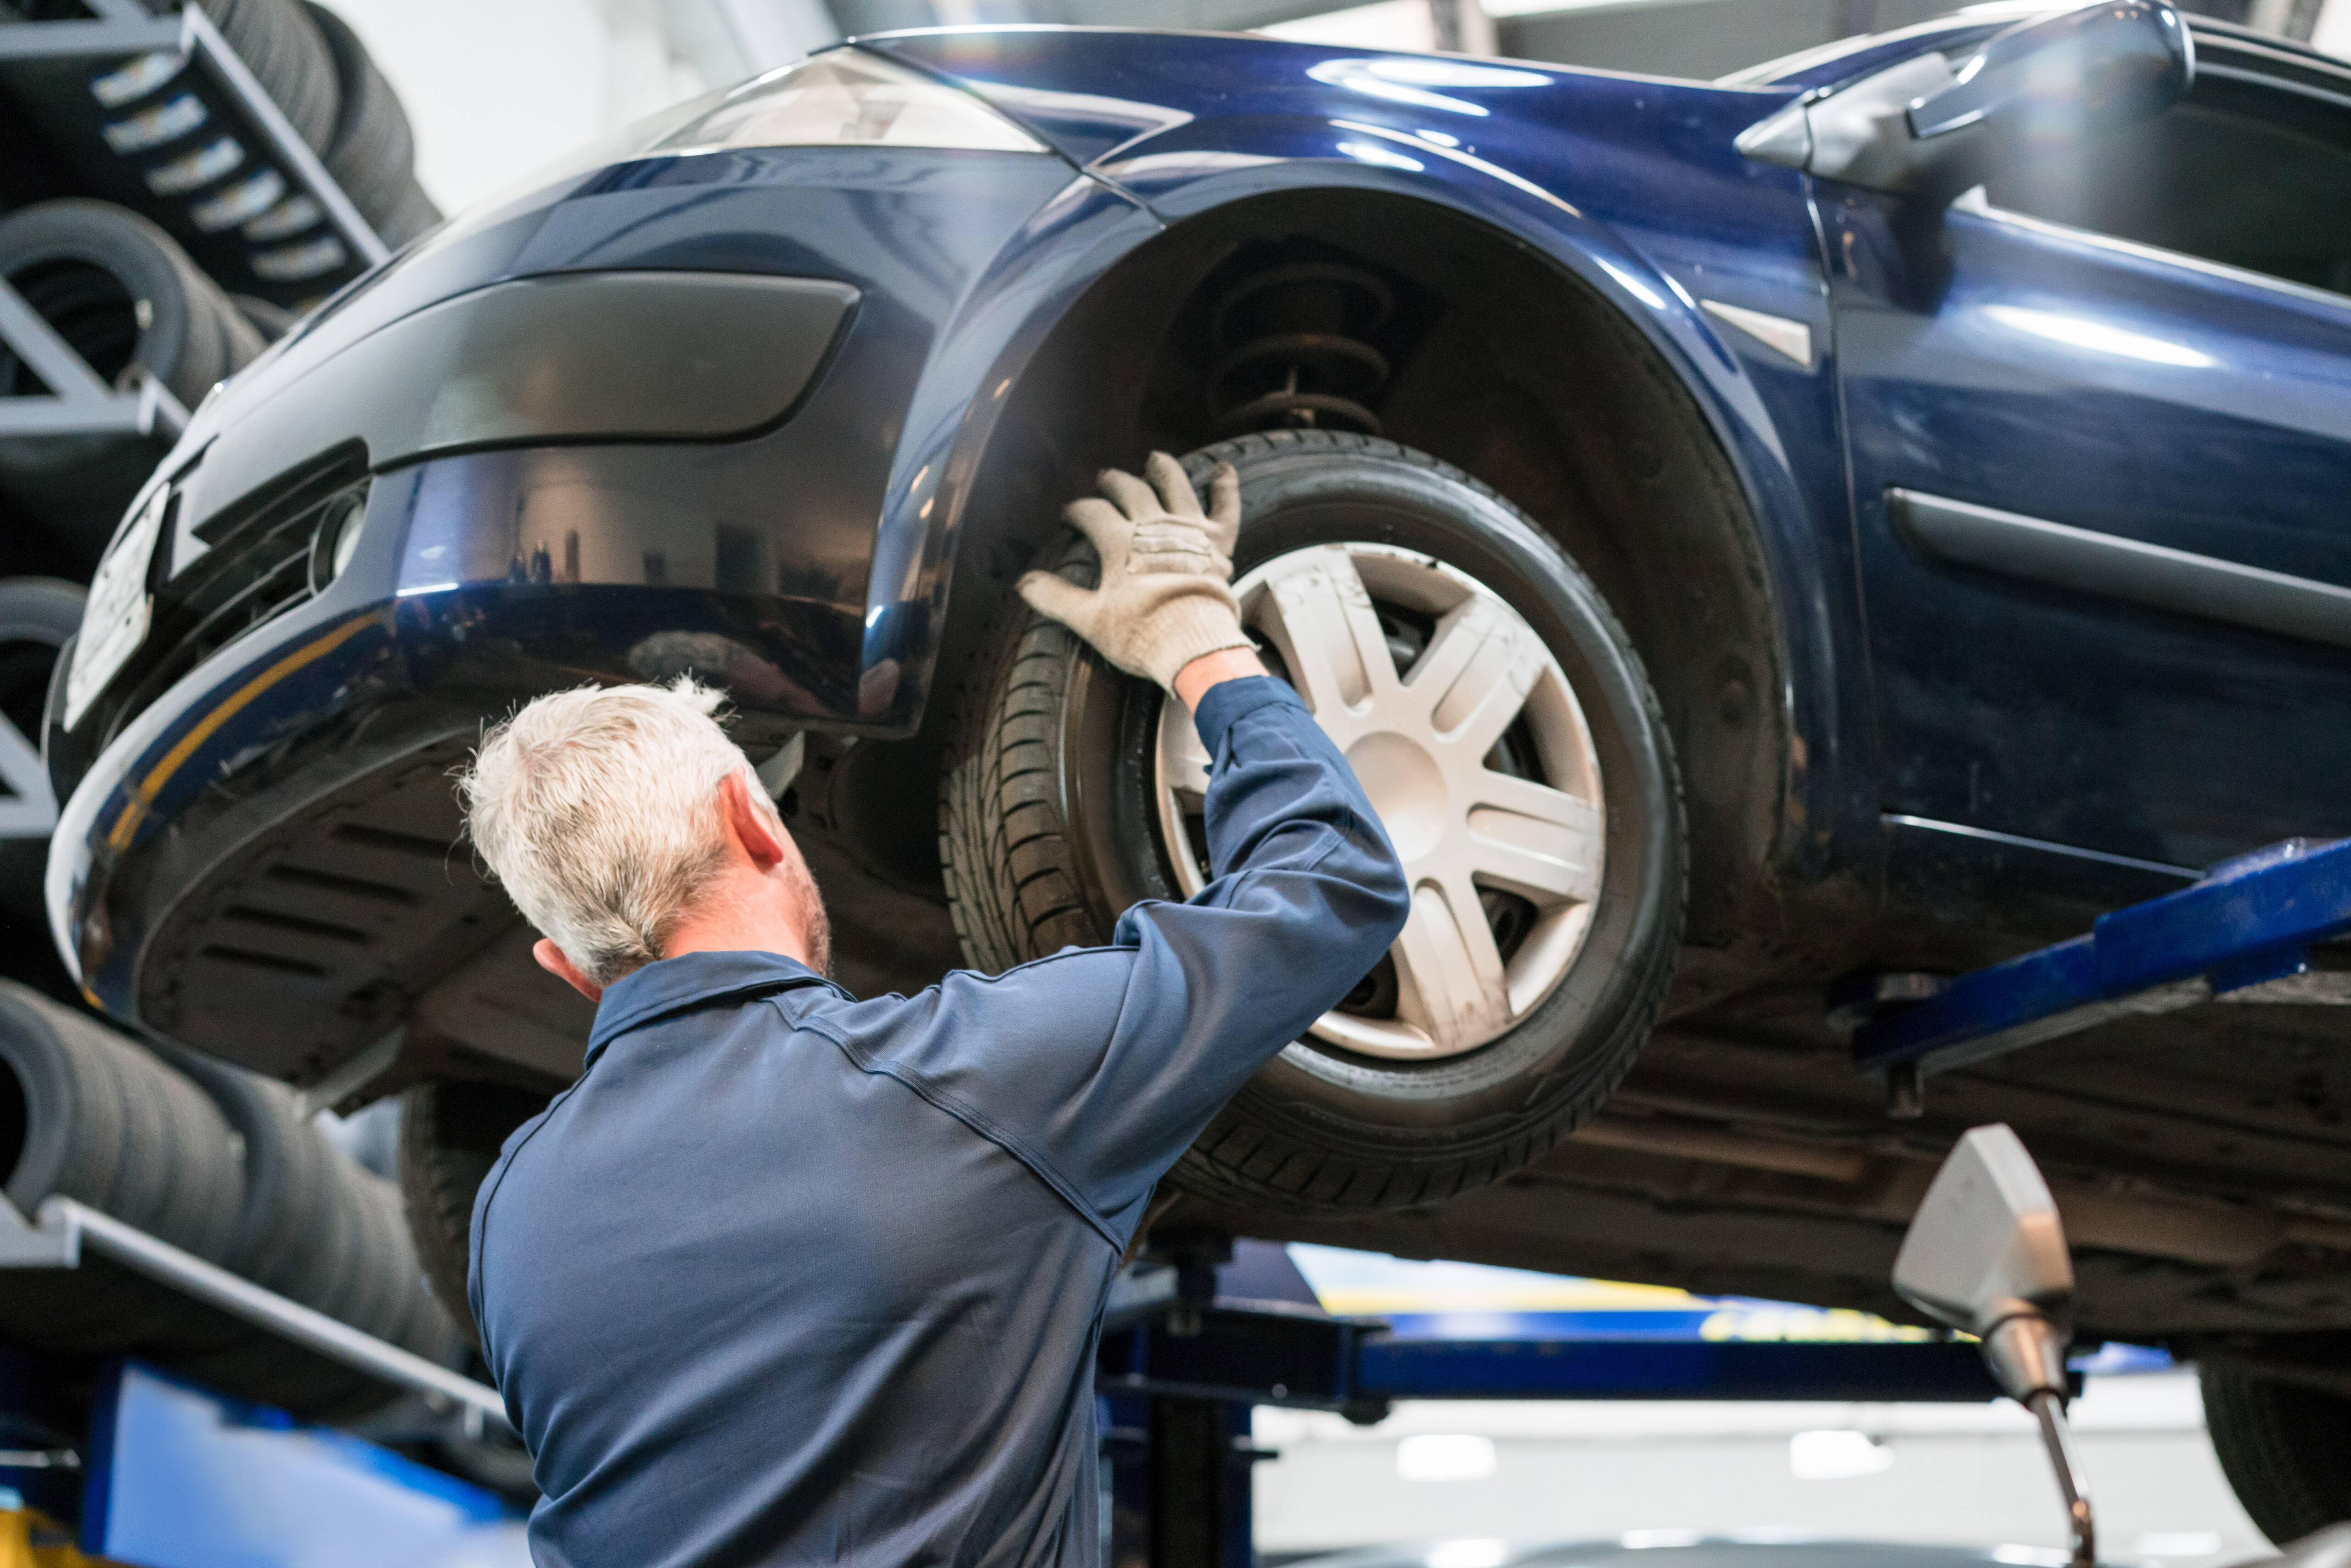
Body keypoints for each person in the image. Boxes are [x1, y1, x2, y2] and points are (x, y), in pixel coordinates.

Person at [459, 454, 1411, 1567]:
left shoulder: (511, 1222)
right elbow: (1333, 880)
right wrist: (1203, 645)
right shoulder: (972, 1087)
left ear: (564, 966)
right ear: (752, 818)